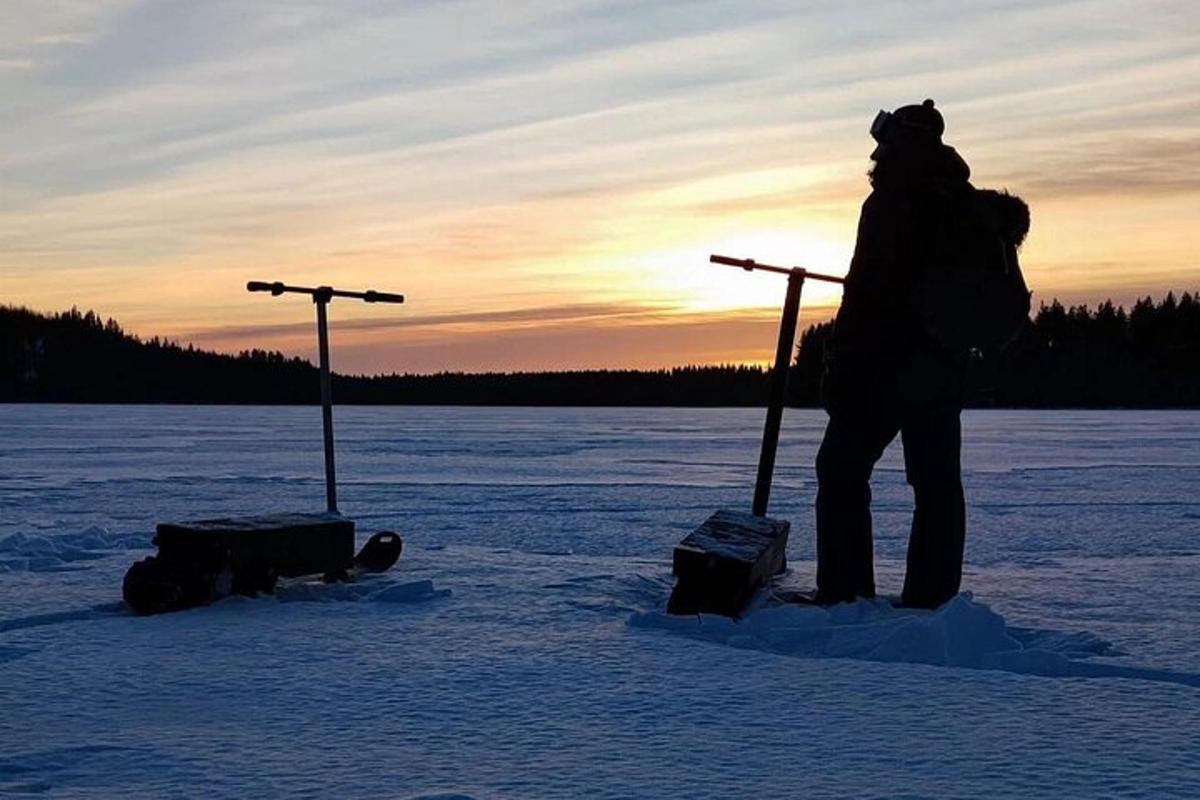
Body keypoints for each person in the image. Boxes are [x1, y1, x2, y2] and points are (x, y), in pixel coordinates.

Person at [814, 99, 1029, 609]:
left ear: (898, 142)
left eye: (883, 138)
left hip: (884, 366)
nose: (876, 149)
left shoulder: (892, 201)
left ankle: (845, 596)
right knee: (936, 486)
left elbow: (865, 291)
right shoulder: (969, 205)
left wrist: (839, 364)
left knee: (841, 470)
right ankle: (932, 601)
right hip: (945, 368)